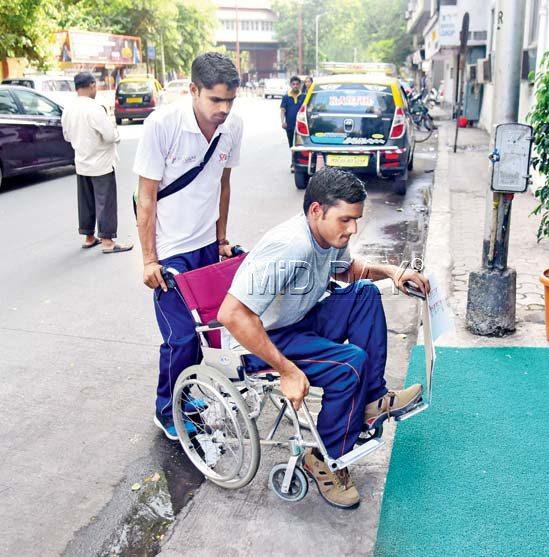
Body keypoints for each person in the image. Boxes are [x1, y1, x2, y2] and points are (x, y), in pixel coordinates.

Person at [218, 167, 429, 509]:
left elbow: (347, 271)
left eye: (356, 220)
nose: (353, 229)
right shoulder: (290, 247)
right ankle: (323, 460)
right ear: (317, 211)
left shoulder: (326, 237)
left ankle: (371, 400)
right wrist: (286, 370)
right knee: (349, 366)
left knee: (363, 295)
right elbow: (232, 315)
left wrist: (392, 272)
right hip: (259, 341)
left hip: (299, 321)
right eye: (345, 220)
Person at [133, 53, 243, 440]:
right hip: (169, 251)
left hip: (205, 249)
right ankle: (167, 408)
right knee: (179, 337)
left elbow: (222, 185)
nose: (224, 109)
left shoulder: (233, 128)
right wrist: (149, 260)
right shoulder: (162, 125)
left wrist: (222, 239)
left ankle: (187, 394)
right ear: (193, 90)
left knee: (206, 333)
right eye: (215, 100)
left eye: (230, 100)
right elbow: (146, 196)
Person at [61, 72, 133, 254]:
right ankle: (107, 241)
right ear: (92, 85)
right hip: (101, 163)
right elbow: (110, 135)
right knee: (105, 202)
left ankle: (89, 237)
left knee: (86, 201)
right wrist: (116, 135)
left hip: (81, 162)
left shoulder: (68, 109)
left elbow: (67, 136)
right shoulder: (94, 108)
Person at [280, 76, 305, 172]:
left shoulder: (303, 96)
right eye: (293, 84)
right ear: (291, 85)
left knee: (298, 145)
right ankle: (294, 162)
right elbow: (282, 111)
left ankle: (295, 163)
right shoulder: (286, 97)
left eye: (297, 84)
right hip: (289, 126)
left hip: (301, 126)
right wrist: (283, 122)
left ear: (300, 85)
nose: (295, 86)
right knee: (292, 145)